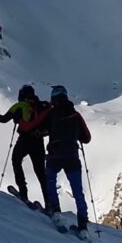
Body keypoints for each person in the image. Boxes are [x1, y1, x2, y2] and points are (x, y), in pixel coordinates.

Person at [0, 85, 51, 206]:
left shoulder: (19, 106)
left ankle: (23, 192)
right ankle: (49, 204)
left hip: (24, 139)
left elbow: (3, 119)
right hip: (38, 141)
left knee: (16, 160)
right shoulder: (41, 106)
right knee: (41, 172)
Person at [42, 84, 92, 233]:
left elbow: (41, 129)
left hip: (55, 155)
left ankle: (56, 211)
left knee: (50, 180)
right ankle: (83, 226)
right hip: (72, 156)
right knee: (78, 192)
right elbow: (87, 138)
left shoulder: (50, 114)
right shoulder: (75, 115)